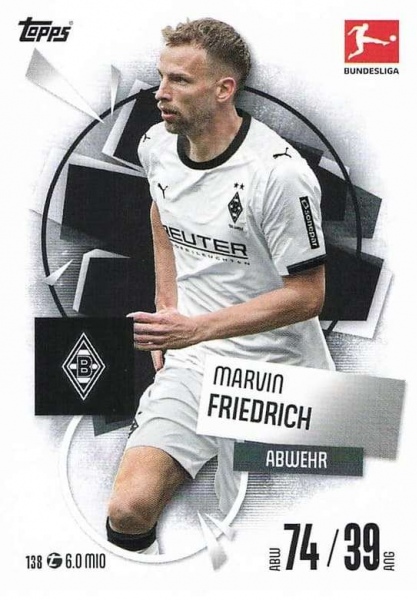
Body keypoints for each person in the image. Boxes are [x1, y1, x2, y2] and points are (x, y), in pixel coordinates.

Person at [107, 17, 334, 555]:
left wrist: (195, 328)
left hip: (281, 375)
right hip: (195, 366)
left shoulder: (278, 175)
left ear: (223, 89)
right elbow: (162, 212)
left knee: (269, 530)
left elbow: (309, 295)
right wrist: (168, 306)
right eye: (161, 77)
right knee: (127, 512)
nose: (161, 92)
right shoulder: (156, 145)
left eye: (180, 81)